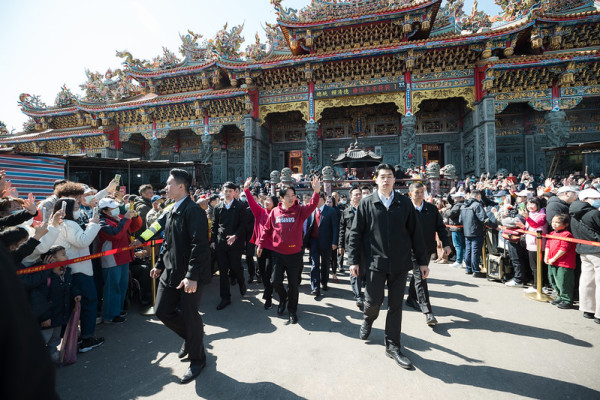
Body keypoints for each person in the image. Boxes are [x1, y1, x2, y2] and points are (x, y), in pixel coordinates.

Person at [347, 163, 428, 370]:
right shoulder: (367, 203)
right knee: (373, 302)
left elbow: (416, 233)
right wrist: (353, 261)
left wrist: (422, 262)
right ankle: (368, 318)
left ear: (394, 179)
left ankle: (392, 345)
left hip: (401, 264)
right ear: (376, 179)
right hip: (375, 263)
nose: (386, 180)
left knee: (395, 306)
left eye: (389, 176)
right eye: (382, 176)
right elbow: (355, 233)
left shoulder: (404, 203)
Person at [150, 168, 211, 384]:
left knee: (190, 315)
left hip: (189, 276)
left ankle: (198, 359)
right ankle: (191, 337)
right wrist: (158, 264)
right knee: (162, 311)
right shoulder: (171, 209)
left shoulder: (193, 211)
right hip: (169, 272)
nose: (165, 187)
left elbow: (200, 245)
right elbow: (168, 242)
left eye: (169, 184)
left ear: (181, 186)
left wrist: (192, 275)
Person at [256, 176, 320, 324]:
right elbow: (267, 229)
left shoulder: (300, 211)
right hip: (278, 254)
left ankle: (292, 310)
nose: (291, 198)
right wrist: (260, 245)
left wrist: (316, 192)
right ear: (281, 198)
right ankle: (283, 298)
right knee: (275, 281)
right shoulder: (275, 212)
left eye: (293, 195)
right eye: (288, 196)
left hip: (294, 255)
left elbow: (312, 205)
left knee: (293, 285)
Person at [52, 197, 104, 353]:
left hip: (69, 269)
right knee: (89, 302)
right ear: (66, 209)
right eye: (76, 207)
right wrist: (94, 224)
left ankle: (72, 338)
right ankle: (87, 339)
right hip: (79, 270)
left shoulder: (58, 224)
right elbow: (83, 241)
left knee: (73, 305)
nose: (79, 209)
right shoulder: (69, 224)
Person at [405, 182, 451, 327]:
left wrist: (446, 243)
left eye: (422, 192)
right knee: (421, 277)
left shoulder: (431, 209)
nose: (420, 195)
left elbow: (440, 228)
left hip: (427, 248)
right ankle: (428, 311)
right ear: (410, 194)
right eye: (417, 192)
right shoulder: (405, 209)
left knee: (418, 277)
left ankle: (411, 298)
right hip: (410, 249)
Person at [97, 197, 143, 323]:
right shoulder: (102, 222)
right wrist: (127, 219)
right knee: (112, 287)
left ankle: (116, 310)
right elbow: (116, 235)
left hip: (124, 257)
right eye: (113, 207)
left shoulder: (119, 218)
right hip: (111, 259)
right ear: (105, 211)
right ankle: (109, 315)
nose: (116, 209)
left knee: (122, 286)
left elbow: (135, 227)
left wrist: (134, 216)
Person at [211, 182, 248, 310]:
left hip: (235, 243)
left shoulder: (240, 206)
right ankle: (225, 297)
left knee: (236, 267)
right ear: (222, 191)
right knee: (223, 271)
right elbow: (214, 225)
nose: (227, 193)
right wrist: (213, 241)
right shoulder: (218, 207)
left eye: (230, 191)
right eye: (225, 191)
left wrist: (235, 236)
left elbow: (243, 225)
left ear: (235, 192)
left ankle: (241, 283)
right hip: (221, 243)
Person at [243, 177, 278, 309]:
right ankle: (268, 289)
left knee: (269, 273)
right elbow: (251, 202)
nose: (266, 202)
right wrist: (246, 189)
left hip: (273, 248)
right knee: (262, 273)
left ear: (274, 203)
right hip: (260, 247)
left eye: (269, 200)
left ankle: (268, 297)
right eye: (265, 200)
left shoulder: (277, 214)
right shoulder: (260, 212)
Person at [569, 188, 600, 324]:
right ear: (585, 199)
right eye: (594, 199)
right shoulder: (593, 213)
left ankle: (588, 309)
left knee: (587, 280)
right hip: (597, 249)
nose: (597, 200)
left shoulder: (573, 213)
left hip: (583, 249)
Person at [303, 193, 339, 297]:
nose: (314, 201)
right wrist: (307, 243)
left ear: (322, 200)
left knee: (325, 264)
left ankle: (324, 282)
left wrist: (334, 242)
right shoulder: (311, 211)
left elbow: (335, 228)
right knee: (315, 264)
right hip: (314, 241)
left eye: (317, 199)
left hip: (326, 242)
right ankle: (315, 287)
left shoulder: (331, 211)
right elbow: (308, 228)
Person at [338, 186, 365, 310]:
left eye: (360, 194)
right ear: (351, 197)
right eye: (356, 194)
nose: (358, 196)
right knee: (354, 269)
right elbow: (342, 230)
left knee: (365, 269)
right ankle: (358, 295)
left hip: (366, 244)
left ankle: (367, 292)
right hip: (351, 245)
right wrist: (340, 246)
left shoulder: (367, 210)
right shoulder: (346, 212)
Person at [544, 214, 577, 309]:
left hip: (564, 263)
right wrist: (546, 257)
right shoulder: (552, 234)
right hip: (551, 261)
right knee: (553, 280)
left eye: (557, 222)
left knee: (564, 282)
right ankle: (559, 296)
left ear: (566, 224)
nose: (554, 224)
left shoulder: (567, 234)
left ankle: (567, 300)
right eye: (553, 222)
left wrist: (554, 258)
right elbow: (547, 246)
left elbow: (564, 249)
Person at [517, 197, 547, 293]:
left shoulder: (542, 214)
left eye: (532, 204)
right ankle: (537, 284)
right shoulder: (531, 213)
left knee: (536, 266)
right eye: (528, 204)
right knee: (533, 265)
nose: (529, 206)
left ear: (538, 205)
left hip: (537, 243)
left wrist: (526, 217)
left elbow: (536, 225)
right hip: (531, 242)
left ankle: (538, 286)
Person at [459, 190, 487, 278]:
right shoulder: (477, 205)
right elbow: (483, 218)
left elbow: (460, 220)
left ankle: (468, 268)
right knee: (475, 251)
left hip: (467, 231)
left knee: (468, 250)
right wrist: (493, 225)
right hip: (476, 231)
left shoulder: (464, 205)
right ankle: (476, 270)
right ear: (478, 196)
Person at [445, 189, 466, 268]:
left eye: (457, 197)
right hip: (459, 227)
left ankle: (459, 261)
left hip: (456, 228)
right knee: (462, 245)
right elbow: (450, 200)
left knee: (458, 245)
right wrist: (449, 194)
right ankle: (463, 260)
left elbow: (450, 214)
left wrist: (446, 211)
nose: (455, 199)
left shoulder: (458, 205)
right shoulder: (462, 204)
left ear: (461, 198)